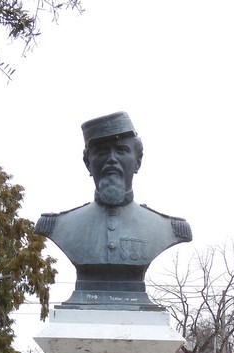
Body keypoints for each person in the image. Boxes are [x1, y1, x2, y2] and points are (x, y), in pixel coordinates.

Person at [35, 111, 192, 309]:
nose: (111, 159)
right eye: (101, 152)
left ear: (138, 161)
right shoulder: (56, 226)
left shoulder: (169, 228)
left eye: (121, 150)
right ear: (88, 164)